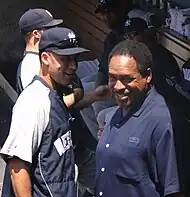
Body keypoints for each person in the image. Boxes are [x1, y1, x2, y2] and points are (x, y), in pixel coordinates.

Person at [0, 27, 90, 197]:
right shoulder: (34, 101)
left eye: (75, 59)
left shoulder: (53, 95)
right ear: (46, 58)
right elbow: (17, 167)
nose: (73, 66)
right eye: (65, 59)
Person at [96, 40, 183, 197]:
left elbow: (174, 190)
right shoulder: (114, 114)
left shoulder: (163, 122)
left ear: (148, 76)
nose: (117, 86)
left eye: (127, 79)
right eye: (112, 78)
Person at [16, 8, 63, 94]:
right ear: (36, 34)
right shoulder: (31, 66)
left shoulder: (40, 58)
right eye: (50, 28)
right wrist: (76, 95)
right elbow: (45, 105)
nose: (55, 31)